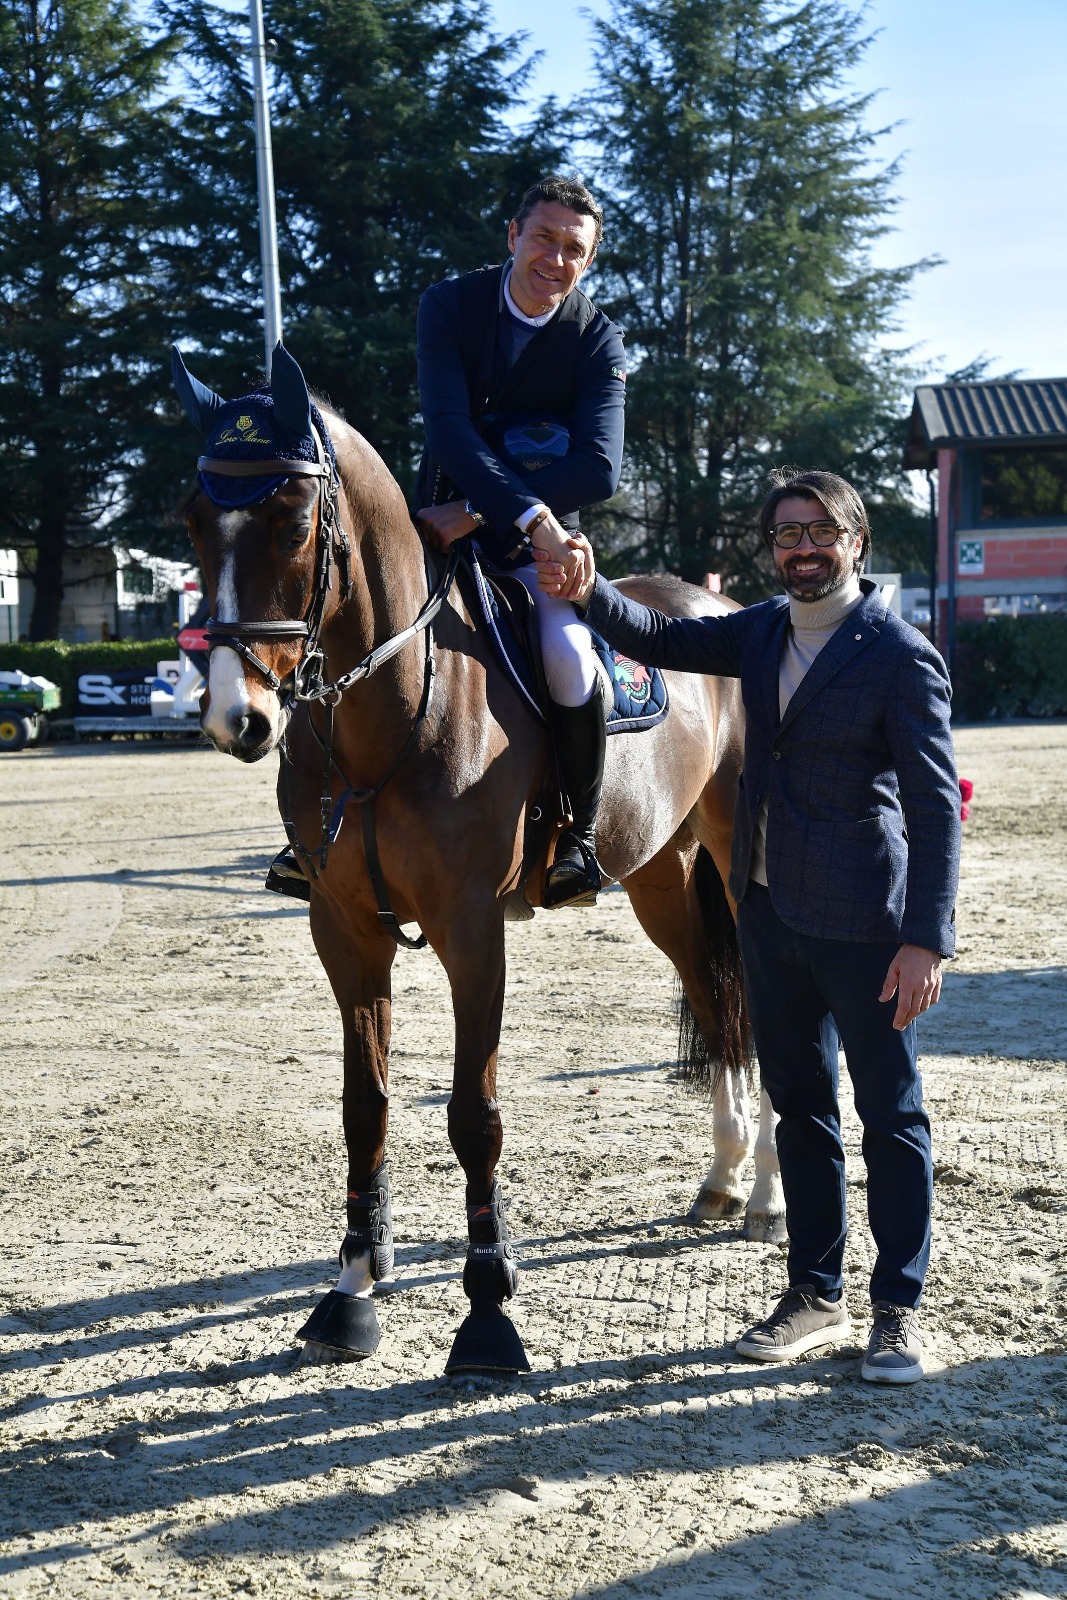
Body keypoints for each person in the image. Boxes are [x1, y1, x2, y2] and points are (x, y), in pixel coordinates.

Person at [537, 469, 960, 1384]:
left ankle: (896, 1310)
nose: (802, 549)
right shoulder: (762, 628)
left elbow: (934, 811)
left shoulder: (899, 653)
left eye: (820, 533)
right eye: (786, 535)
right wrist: (585, 585)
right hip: (767, 917)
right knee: (801, 1113)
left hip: (866, 926)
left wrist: (925, 938)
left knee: (889, 1117)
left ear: (856, 541)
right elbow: (655, 630)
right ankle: (815, 1293)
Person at [413, 176, 626, 908]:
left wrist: (490, 514)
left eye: (575, 250)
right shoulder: (447, 305)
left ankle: (578, 836)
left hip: (534, 542)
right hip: (433, 527)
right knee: (352, 626)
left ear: (588, 262)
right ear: (512, 235)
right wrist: (493, 511)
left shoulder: (596, 338)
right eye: (544, 238)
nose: (555, 260)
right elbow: (450, 433)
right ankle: (312, 827)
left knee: (569, 657)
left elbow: (597, 469)